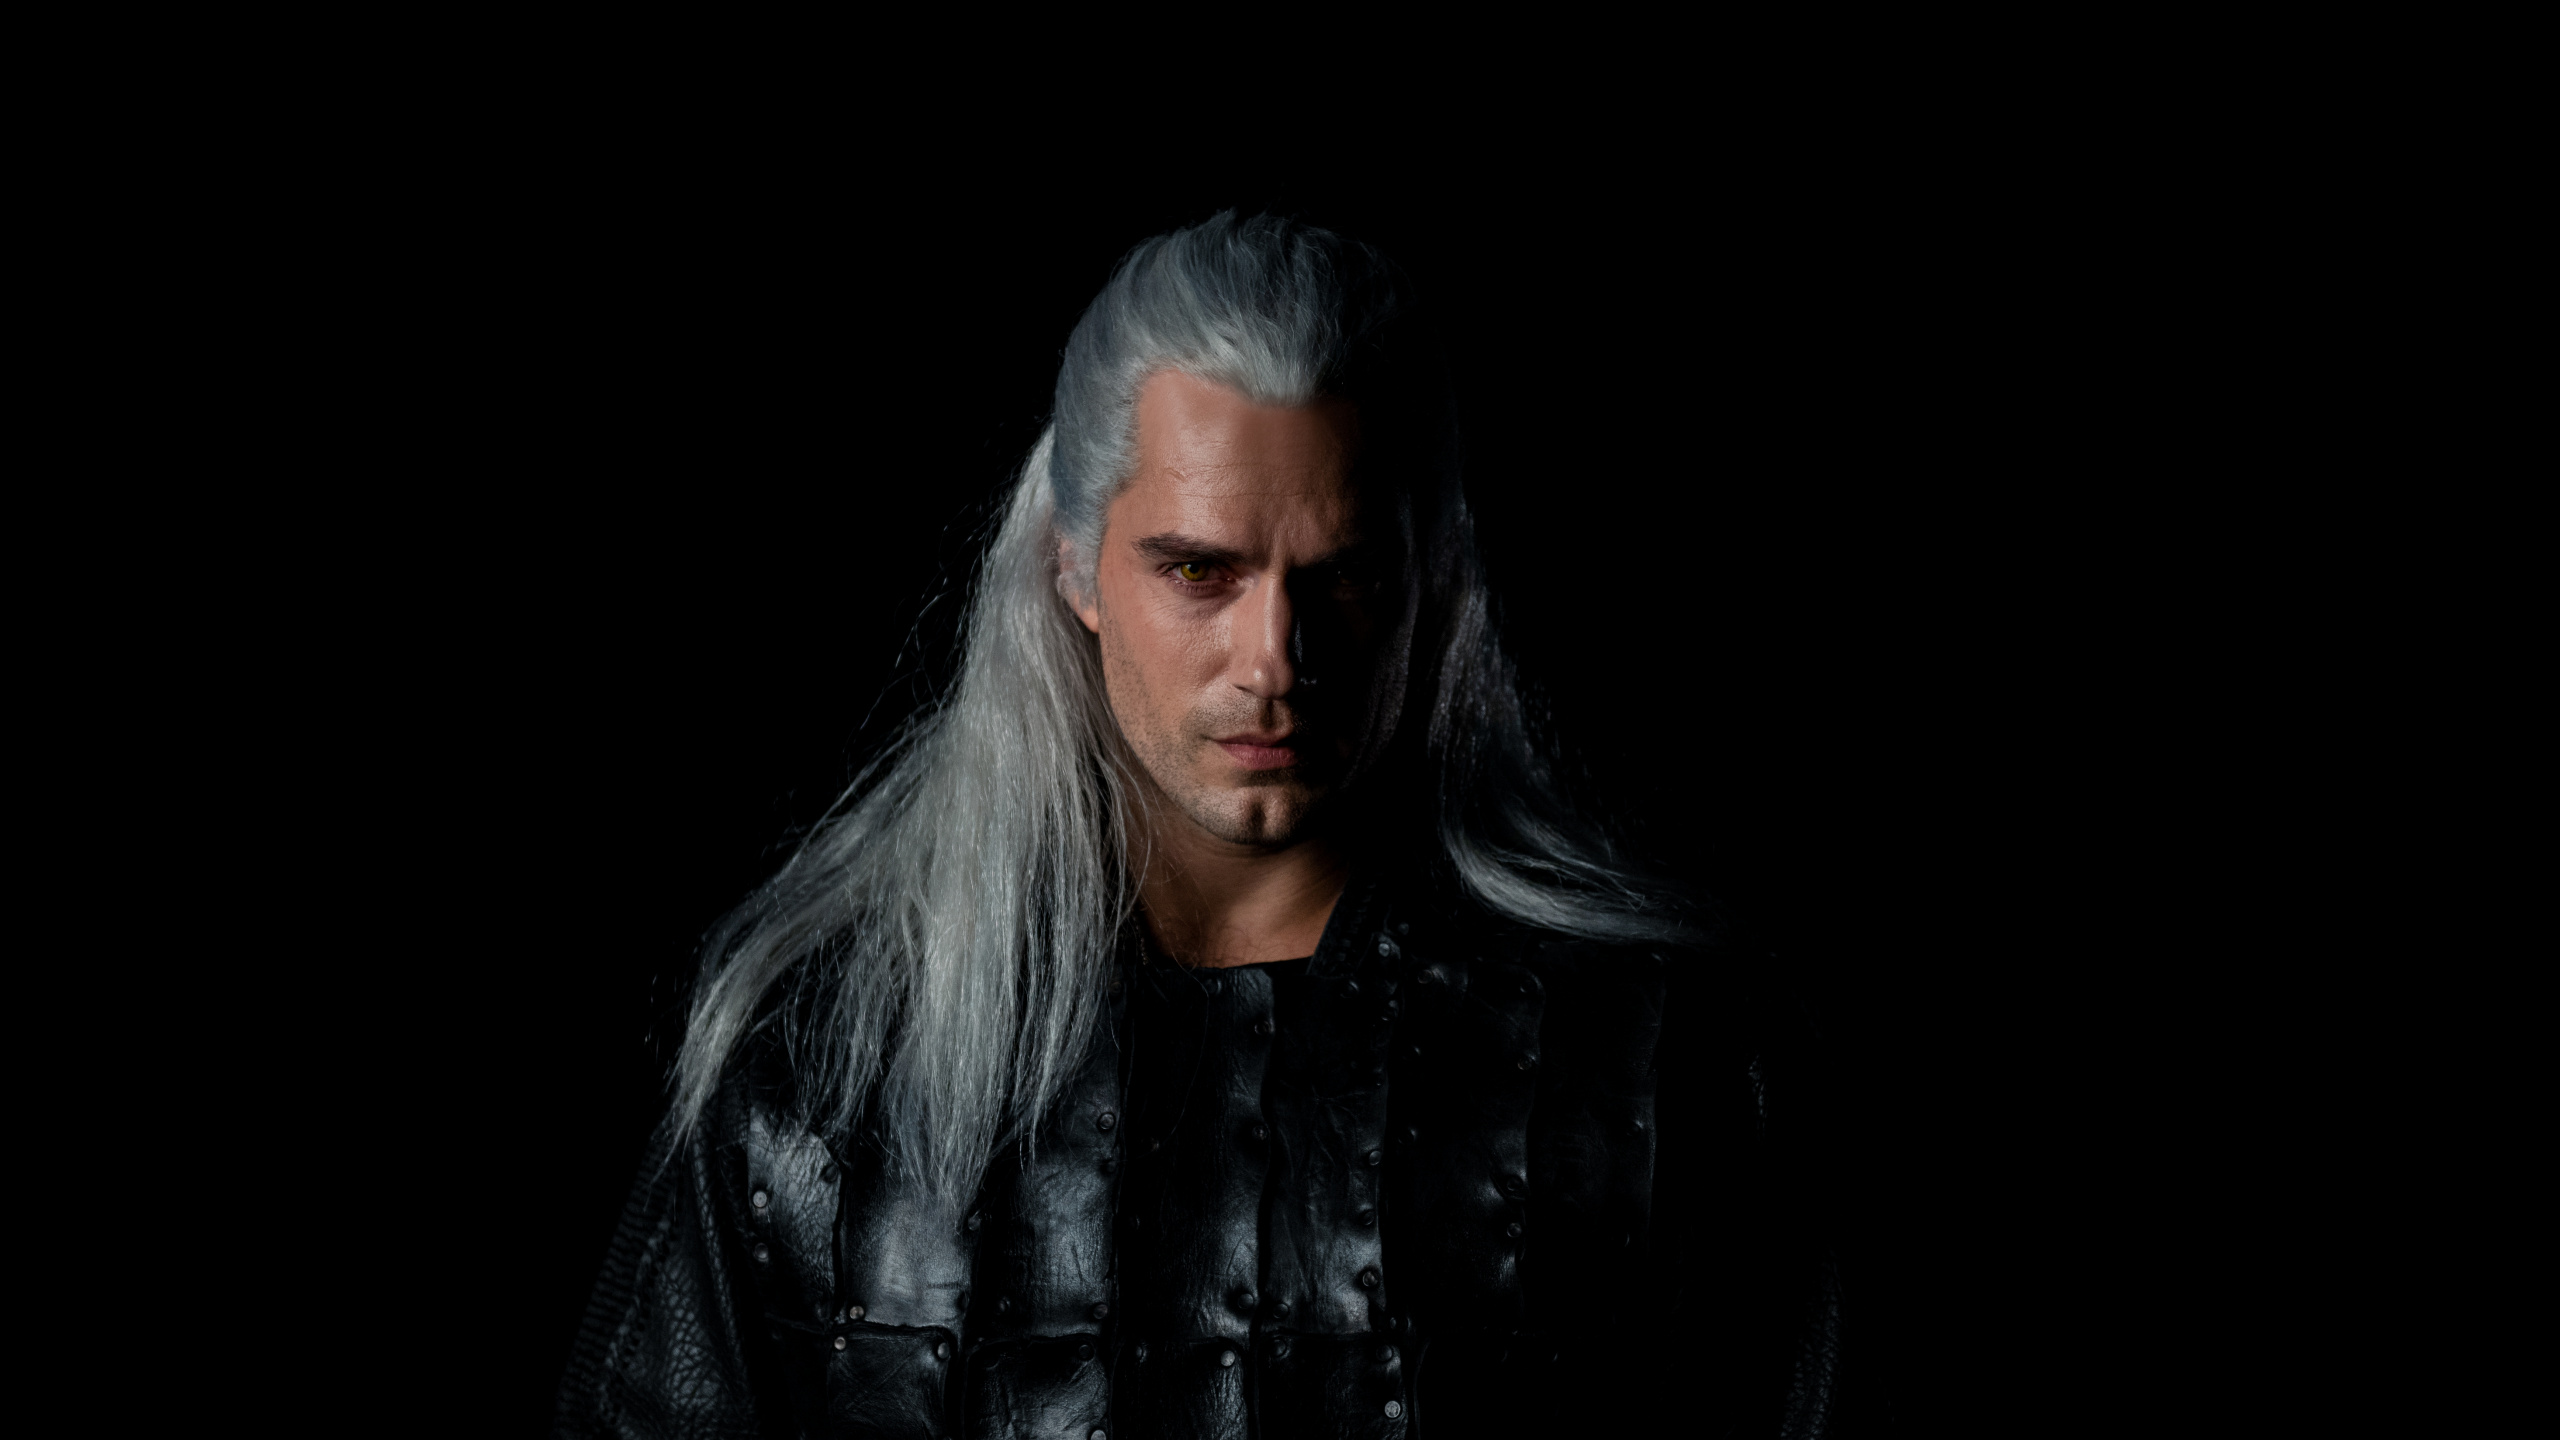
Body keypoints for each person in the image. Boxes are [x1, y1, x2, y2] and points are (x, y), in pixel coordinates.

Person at [556, 213, 1850, 1438]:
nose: (1273, 658)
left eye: (1345, 574)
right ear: (1073, 567)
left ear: (1431, 581)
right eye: (1197, 570)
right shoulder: (818, 1051)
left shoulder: (1673, 1056)